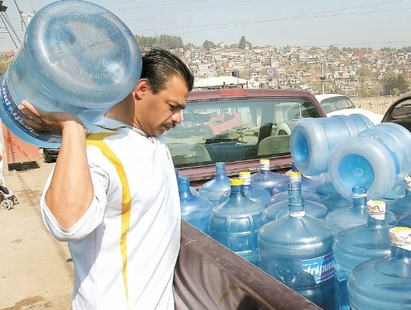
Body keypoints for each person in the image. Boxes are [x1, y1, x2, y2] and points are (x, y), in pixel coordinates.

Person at [18, 48, 194, 309]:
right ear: (142, 89)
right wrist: (72, 128)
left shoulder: (152, 138)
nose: (179, 118)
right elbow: (68, 225)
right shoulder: (95, 149)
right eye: (173, 107)